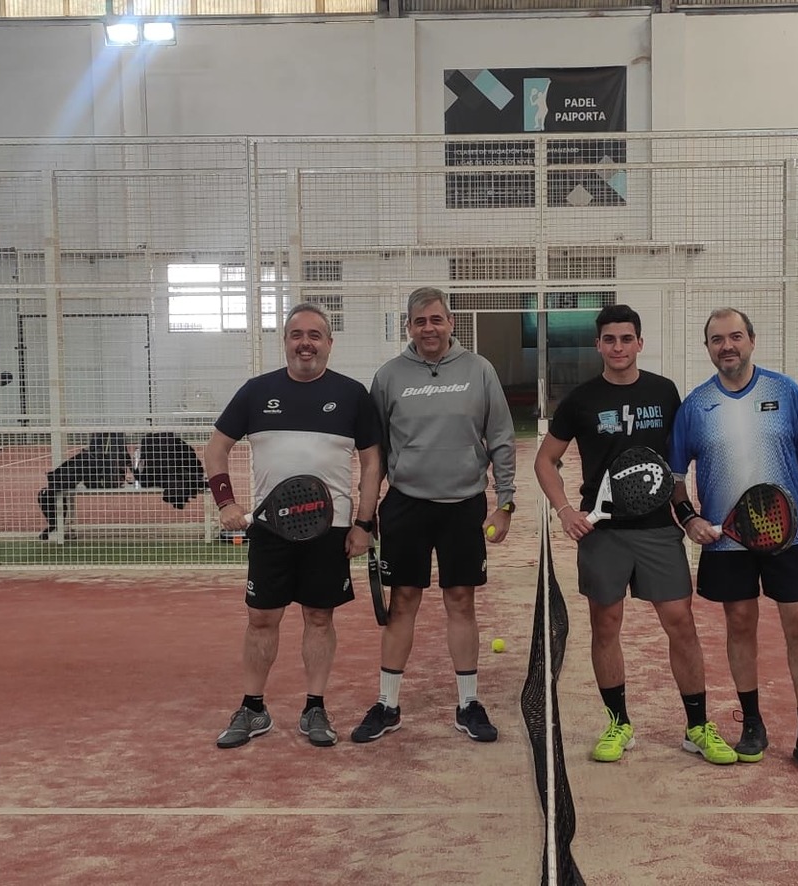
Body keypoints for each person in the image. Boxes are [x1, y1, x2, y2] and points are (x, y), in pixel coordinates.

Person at [534, 304, 737, 766]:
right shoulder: (581, 400)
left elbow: (676, 461)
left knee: (680, 623)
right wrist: (565, 511)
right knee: (606, 626)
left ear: (640, 343)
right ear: (598, 345)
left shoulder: (664, 392)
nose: (619, 347)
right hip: (602, 533)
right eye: (610, 339)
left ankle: (697, 727)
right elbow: (545, 460)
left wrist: (686, 513)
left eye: (627, 338)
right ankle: (618, 723)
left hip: (657, 530)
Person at [669, 307, 798, 778]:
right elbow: (675, 478)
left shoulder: (785, 392)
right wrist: (689, 520)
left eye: (735, 336)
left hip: (787, 537)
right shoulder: (696, 406)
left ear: (751, 340)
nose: (727, 346)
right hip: (727, 543)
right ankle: (752, 724)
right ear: (708, 347)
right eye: (717, 339)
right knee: (740, 625)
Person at [204, 303, 382, 750]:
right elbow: (216, 449)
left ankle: (314, 708)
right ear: (285, 342)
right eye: (296, 335)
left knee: (319, 617)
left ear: (329, 343)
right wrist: (226, 502)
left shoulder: (352, 395)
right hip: (271, 531)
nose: (306, 343)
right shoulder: (256, 392)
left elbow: (372, 463)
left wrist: (363, 524)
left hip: (330, 529)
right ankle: (253, 708)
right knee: (261, 618)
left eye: (314, 335)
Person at [353, 286, 517, 745]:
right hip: (406, 505)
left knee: (460, 600)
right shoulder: (389, 377)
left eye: (436, 319)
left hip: (464, 505)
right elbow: (375, 452)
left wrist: (505, 501)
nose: (429, 328)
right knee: (403, 600)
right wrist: (367, 514)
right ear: (408, 326)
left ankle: (468, 704)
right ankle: (388, 705)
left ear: (451, 323)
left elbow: (501, 438)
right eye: (420, 321)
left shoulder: (479, 370)